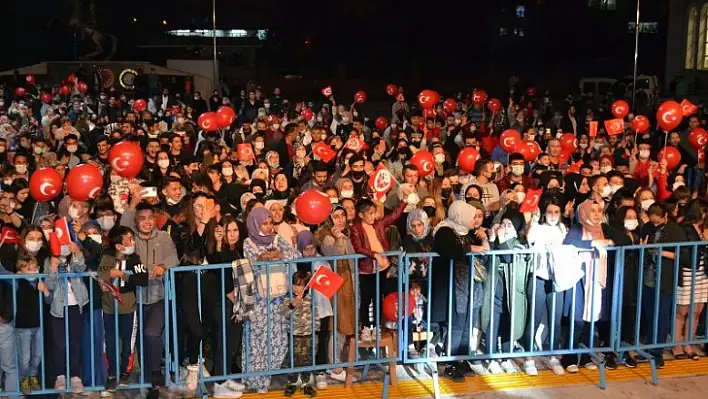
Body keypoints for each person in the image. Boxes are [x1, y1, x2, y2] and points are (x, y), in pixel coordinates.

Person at [120, 199, 179, 386]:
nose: (147, 222)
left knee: (152, 333)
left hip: (158, 296)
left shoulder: (164, 237)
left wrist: (163, 265)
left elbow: (174, 258)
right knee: (139, 340)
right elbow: (121, 228)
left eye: (150, 218)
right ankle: (146, 379)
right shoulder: (130, 239)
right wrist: (133, 203)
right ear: (135, 221)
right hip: (134, 299)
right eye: (142, 218)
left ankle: (155, 373)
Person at [241, 207, 300, 393]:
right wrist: (271, 257)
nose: (268, 227)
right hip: (258, 300)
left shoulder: (277, 239)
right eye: (264, 223)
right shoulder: (248, 242)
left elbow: (294, 255)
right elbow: (254, 263)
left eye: (270, 223)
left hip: (277, 299)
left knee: (278, 340)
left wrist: (277, 255)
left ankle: (268, 374)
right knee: (256, 341)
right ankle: (257, 382)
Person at [431, 200, 488, 381]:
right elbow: (452, 249)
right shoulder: (444, 231)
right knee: (457, 325)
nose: (474, 220)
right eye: (471, 216)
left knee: (467, 325)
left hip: (470, 283)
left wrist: (484, 238)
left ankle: (462, 359)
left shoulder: (468, 232)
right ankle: (449, 362)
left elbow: (486, 249)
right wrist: (472, 248)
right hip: (454, 285)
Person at [99, 225, 149, 390]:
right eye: (127, 239)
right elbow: (102, 275)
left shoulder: (134, 259)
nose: (131, 242)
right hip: (108, 309)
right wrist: (107, 277)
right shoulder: (107, 257)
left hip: (128, 308)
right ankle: (112, 373)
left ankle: (125, 372)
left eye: (131, 238)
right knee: (110, 343)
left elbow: (142, 279)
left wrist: (122, 275)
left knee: (128, 342)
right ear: (118, 245)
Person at [350, 199, 406, 334]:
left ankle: (376, 326)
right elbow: (358, 248)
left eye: (374, 213)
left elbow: (394, 216)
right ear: (361, 215)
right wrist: (375, 255)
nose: (374, 216)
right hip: (366, 270)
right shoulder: (355, 229)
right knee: (366, 299)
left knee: (378, 298)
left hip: (382, 268)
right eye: (370, 213)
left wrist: (404, 201)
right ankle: (365, 327)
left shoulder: (378, 224)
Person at [281, 271, 319, 398]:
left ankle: (306, 383)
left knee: (307, 358)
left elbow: (315, 314)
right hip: (294, 334)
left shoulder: (310, 298)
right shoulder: (288, 298)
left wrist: (316, 329)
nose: (296, 288)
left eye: (300, 285)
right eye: (294, 285)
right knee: (294, 358)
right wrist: (293, 305)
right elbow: (284, 313)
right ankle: (292, 382)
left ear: (306, 287)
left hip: (308, 334)